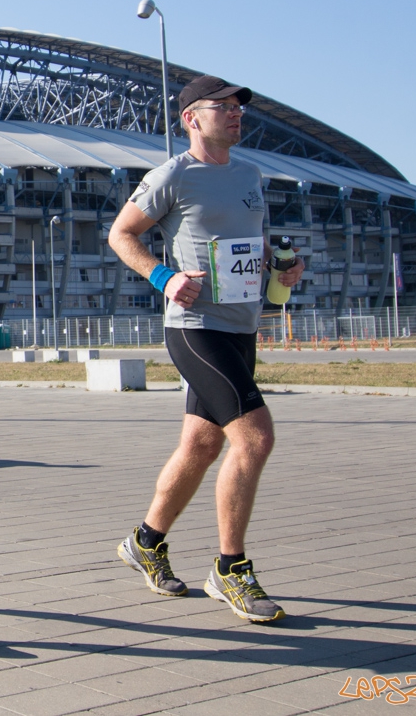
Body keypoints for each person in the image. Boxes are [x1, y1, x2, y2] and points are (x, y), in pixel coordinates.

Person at [107, 74, 305, 624]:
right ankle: (230, 569)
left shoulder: (249, 173)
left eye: (240, 106)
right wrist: (163, 276)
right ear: (192, 118)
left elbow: (253, 246)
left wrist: (281, 269)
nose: (237, 113)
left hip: (242, 328)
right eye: (223, 106)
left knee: (199, 445)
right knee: (255, 437)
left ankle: (145, 543)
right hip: (195, 327)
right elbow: (121, 235)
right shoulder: (172, 175)